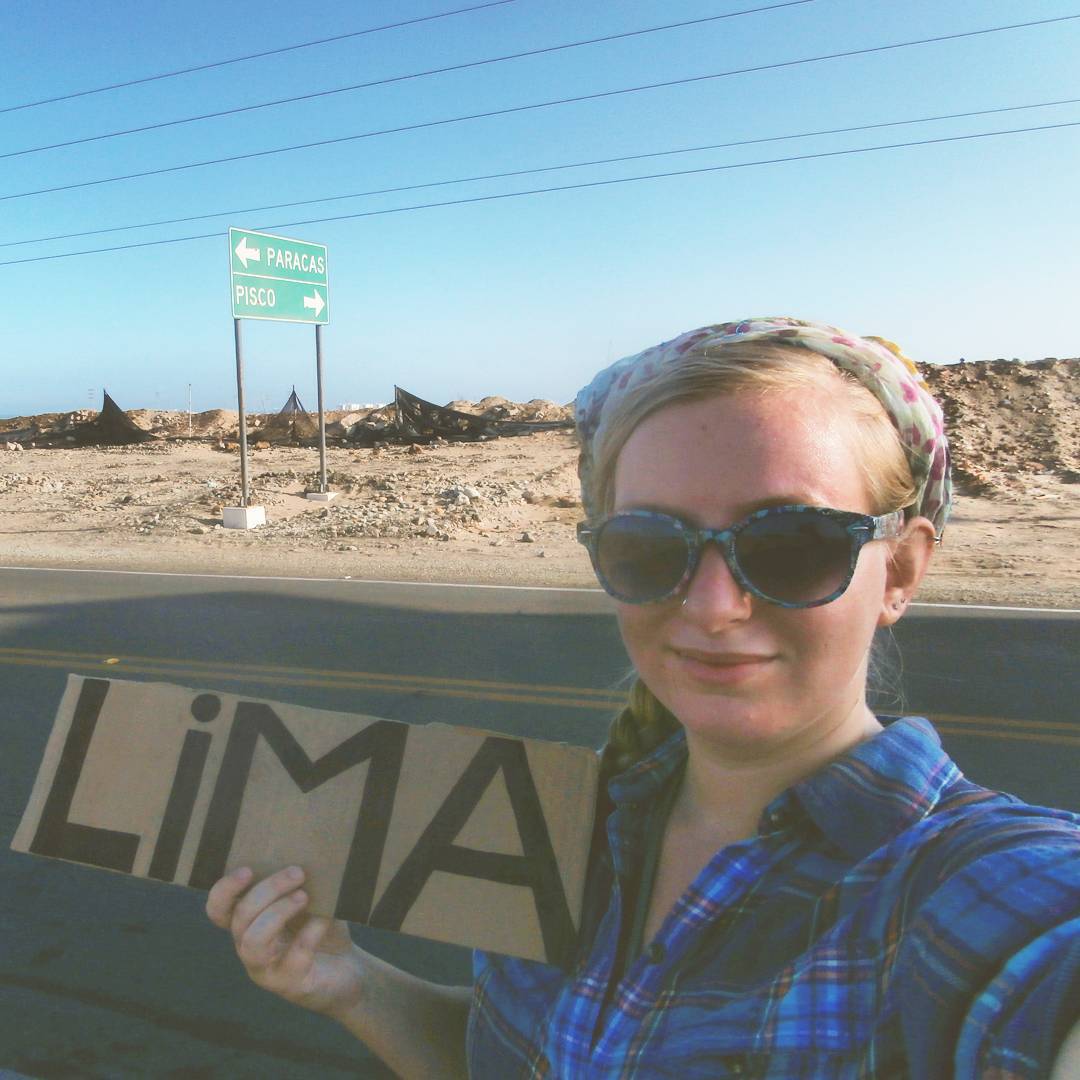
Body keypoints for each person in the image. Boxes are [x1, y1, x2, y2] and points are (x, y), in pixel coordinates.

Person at [206, 317, 1080, 1078]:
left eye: (793, 543)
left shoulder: (964, 890)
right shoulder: (565, 826)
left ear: (901, 570)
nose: (710, 606)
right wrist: (353, 984)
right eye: (648, 546)